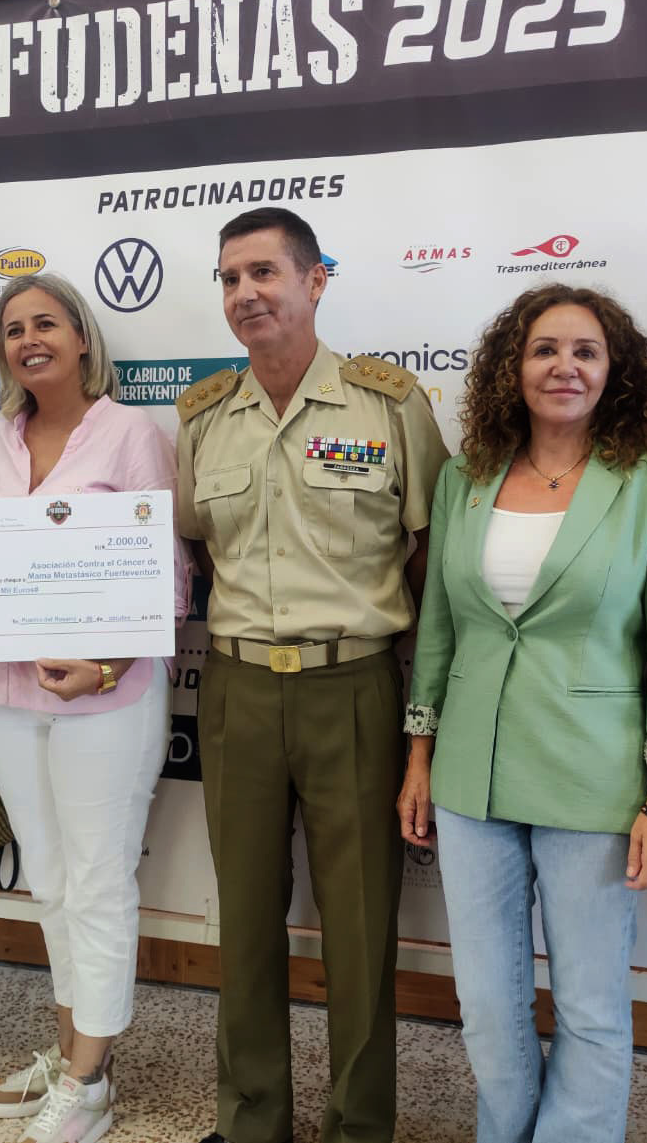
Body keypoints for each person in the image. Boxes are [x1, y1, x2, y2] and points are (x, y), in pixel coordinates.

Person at [397, 284, 647, 1143]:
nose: (563, 366)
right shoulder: (465, 477)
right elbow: (441, 629)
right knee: (488, 1005)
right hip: (472, 777)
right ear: (514, 367)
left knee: (590, 1006)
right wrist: (420, 755)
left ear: (615, 371)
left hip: (593, 779)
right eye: (544, 349)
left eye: (585, 351)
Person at [175, 207, 449, 1143]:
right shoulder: (204, 417)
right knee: (245, 918)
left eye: (264, 272)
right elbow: (195, 548)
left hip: (354, 687)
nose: (245, 293)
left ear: (315, 280)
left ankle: (358, 1124)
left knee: (360, 924)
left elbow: (431, 559)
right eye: (229, 278)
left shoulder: (389, 406)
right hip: (238, 688)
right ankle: (252, 1118)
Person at [0, 272, 189, 1143]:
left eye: (45, 323)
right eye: (13, 329)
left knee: (99, 881)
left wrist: (106, 665)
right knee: (50, 879)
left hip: (106, 698)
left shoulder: (133, 435)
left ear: (80, 337)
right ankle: (74, 1048)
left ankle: (90, 1079)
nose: (28, 339)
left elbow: (170, 580)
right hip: (5, 694)